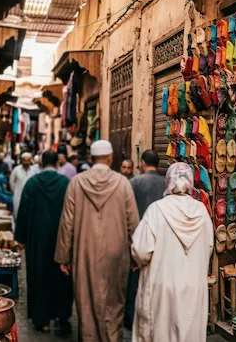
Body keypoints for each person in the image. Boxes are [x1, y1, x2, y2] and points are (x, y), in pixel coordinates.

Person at [55, 140, 140, 342]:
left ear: (91, 158)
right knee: (114, 304)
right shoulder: (123, 184)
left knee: (86, 305)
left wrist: (63, 257)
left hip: (84, 254)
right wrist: (136, 254)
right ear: (110, 158)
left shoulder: (76, 183)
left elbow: (67, 222)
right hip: (117, 254)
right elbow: (133, 223)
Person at [130, 162, 213, 342]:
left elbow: (141, 251)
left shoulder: (156, 210)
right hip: (193, 287)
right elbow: (208, 248)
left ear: (167, 181)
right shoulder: (202, 212)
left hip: (162, 287)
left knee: (161, 333)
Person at [15, 151, 73, 335]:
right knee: (61, 279)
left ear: (40, 163)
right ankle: (61, 316)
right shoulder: (66, 184)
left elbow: (23, 212)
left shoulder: (32, 184)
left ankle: (43, 321)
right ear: (57, 163)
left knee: (39, 278)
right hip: (60, 240)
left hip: (37, 241)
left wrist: (21, 239)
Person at [124, 150, 165, 330]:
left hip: (139, 239)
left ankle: (132, 319)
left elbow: (127, 214)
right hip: (162, 240)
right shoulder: (166, 183)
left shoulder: (135, 182)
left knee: (135, 281)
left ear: (141, 163)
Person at [10, 153, 38, 218]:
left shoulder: (34, 170)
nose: (26, 162)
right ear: (21, 160)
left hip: (31, 196)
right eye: (24, 160)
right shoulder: (16, 169)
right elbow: (12, 183)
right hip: (18, 196)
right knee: (17, 214)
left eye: (28, 160)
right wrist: (16, 191)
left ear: (30, 161)